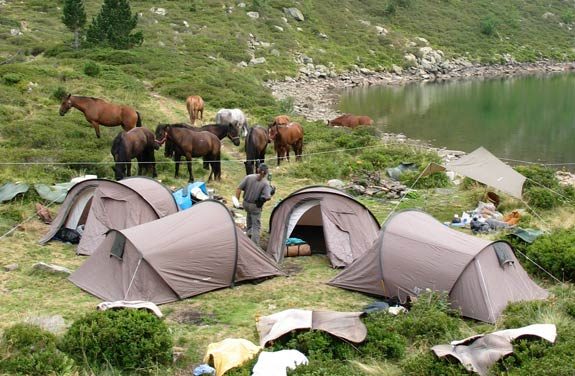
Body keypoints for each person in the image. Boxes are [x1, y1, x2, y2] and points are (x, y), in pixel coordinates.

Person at [234, 163, 275, 245]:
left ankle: (247, 237)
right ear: (266, 173)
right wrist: (272, 191)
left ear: (257, 170)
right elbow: (268, 197)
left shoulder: (249, 177)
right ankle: (254, 246)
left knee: (249, 218)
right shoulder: (266, 183)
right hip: (255, 206)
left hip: (245, 204)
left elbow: (238, 188)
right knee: (256, 226)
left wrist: (237, 201)